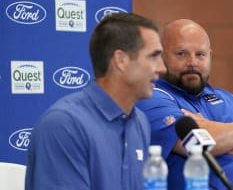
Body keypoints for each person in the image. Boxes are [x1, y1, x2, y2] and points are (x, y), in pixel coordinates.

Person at [137, 19, 233, 190]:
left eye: (200, 54)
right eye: (181, 54)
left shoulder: (225, 98)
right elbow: (196, 144)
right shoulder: (152, 96)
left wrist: (214, 130)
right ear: (161, 56)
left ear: (210, 56)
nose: (192, 62)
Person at [25, 12, 166, 190]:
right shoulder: (63, 125)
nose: (162, 68)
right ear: (121, 60)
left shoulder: (140, 122)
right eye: (153, 56)